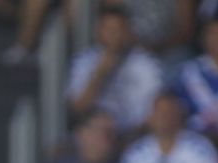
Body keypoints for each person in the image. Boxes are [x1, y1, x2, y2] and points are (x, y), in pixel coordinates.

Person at [66, 5, 164, 134]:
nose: (114, 35)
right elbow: (78, 108)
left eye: (119, 29)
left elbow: (155, 113)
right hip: (94, 136)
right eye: (109, 29)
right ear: (99, 32)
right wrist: (101, 73)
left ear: (129, 32)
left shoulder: (146, 63)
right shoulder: (84, 61)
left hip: (134, 135)